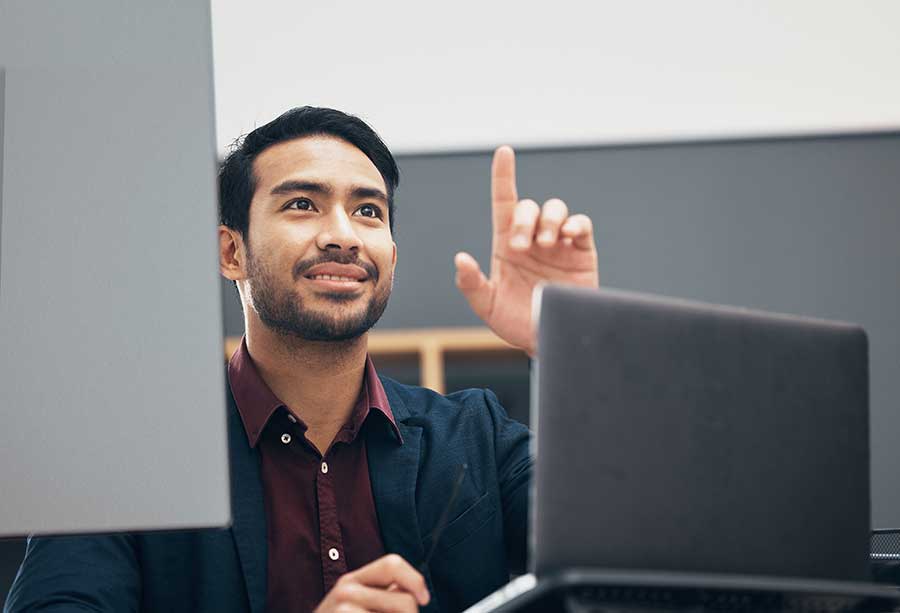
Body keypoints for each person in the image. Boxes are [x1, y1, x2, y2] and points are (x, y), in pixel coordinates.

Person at [5, 107, 599, 612]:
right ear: (230, 250)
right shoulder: (127, 459)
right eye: (301, 204)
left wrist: (573, 347)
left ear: (391, 252)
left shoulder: (479, 439)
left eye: (369, 211)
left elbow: (637, 566)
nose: (343, 234)